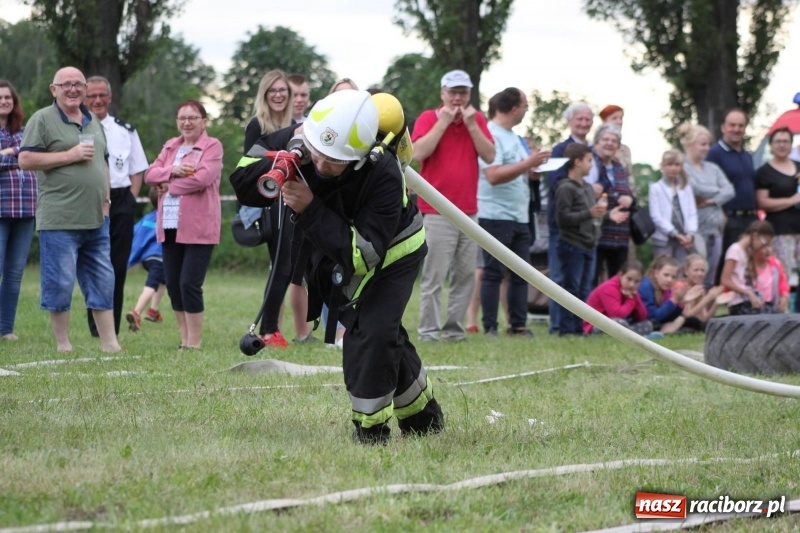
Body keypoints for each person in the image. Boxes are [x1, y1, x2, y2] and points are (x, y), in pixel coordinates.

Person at [230, 90, 444, 444]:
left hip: (392, 254)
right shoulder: (306, 138)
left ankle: (371, 432)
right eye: (317, 153)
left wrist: (310, 207)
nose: (321, 164)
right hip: (336, 246)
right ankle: (424, 418)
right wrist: (279, 160)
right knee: (384, 332)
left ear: (360, 157)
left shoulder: (384, 172)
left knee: (370, 335)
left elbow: (363, 254)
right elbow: (242, 180)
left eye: (333, 161)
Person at [18, 66, 120, 353]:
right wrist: (70, 155)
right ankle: (63, 344)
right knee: (60, 282)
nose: (73, 89)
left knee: (103, 280)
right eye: (66, 85)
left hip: (96, 218)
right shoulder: (43, 119)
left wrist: (107, 201)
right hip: (59, 218)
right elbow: (25, 159)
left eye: (78, 84)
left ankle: (110, 343)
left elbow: (103, 164)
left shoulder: (93, 121)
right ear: (54, 89)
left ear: (85, 89)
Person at [412, 69, 495, 342]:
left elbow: (490, 155)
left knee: (465, 275)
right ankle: (429, 332)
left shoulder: (477, 119)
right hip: (435, 210)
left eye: (463, 93)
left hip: (468, 210)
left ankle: (454, 331)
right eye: (453, 92)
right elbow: (418, 153)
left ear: (470, 94)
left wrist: (471, 125)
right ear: (442, 93)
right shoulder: (428, 117)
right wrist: (444, 122)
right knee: (434, 275)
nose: (458, 99)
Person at [144, 100, 222, 349]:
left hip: (199, 226)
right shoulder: (170, 146)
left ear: (204, 121)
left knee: (189, 283)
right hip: (168, 225)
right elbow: (150, 175)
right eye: (182, 118)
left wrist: (168, 185)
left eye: (193, 118)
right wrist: (175, 170)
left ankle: (195, 342)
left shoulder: (212, 146)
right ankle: (184, 339)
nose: (187, 123)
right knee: (174, 284)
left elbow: (202, 178)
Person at [243, 70, 311, 347]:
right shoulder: (257, 125)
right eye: (274, 90)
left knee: (288, 266)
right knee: (281, 266)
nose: (279, 95)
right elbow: (249, 165)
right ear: (265, 94)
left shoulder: (298, 125)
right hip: (271, 203)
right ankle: (270, 329)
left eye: (284, 90)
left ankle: (276, 328)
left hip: (294, 201)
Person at [478, 87, 550, 337]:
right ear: (513, 108)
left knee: (522, 273)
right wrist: (528, 163)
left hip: (520, 215)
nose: (526, 110)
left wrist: (534, 170)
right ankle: (490, 327)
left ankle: (517, 325)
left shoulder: (516, 137)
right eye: (526, 105)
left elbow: (520, 169)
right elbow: (493, 175)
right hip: (495, 214)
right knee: (493, 272)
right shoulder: (490, 134)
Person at [84, 75, 149, 336]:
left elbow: (137, 168)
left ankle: (113, 328)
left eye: (102, 95)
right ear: (85, 99)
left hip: (121, 200)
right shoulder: (78, 129)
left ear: (110, 98)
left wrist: (131, 197)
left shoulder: (126, 131)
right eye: (92, 96)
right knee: (91, 264)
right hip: (88, 199)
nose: (97, 100)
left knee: (117, 265)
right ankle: (94, 327)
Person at [555, 143, 624, 335]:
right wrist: (588, 213)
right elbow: (562, 219)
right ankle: (567, 330)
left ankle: (581, 328)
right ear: (577, 162)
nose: (592, 165)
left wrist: (608, 213)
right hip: (572, 245)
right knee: (571, 289)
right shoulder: (565, 188)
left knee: (586, 289)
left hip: (588, 245)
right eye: (588, 160)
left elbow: (593, 213)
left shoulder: (586, 187)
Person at [546, 102, 594, 334]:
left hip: (588, 233)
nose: (584, 123)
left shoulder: (591, 149)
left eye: (588, 119)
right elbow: (554, 184)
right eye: (580, 119)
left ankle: (579, 326)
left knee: (583, 284)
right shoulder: (560, 150)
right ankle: (560, 326)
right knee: (562, 280)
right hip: (565, 231)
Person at [0, 79, 38, 341]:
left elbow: (33, 154)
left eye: (8, 98)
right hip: (1, 212)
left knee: (14, 274)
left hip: (26, 212)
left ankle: (6, 329)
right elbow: (25, 159)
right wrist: (20, 158)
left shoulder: (23, 131)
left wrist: (11, 152)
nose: (4, 101)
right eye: (0, 98)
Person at [680, 122, 735, 289]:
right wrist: (718, 190)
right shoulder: (682, 167)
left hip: (716, 227)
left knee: (711, 271)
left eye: (708, 145)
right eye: (702, 144)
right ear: (690, 144)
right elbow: (694, 188)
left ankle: (707, 309)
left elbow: (730, 190)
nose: (706, 148)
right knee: (696, 270)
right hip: (696, 229)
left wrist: (712, 201)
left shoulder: (713, 168)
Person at [707, 109, 758, 283]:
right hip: (729, 219)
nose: (736, 129)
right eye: (732, 125)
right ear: (723, 127)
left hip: (750, 219)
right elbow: (709, 187)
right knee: (726, 265)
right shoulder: (714, 154)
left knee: (747, 267)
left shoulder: (746, 155)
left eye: (740, 125)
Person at [755, 127, 800, 312]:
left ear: (791, 144)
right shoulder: (764, 171)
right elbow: (762, 202)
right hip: (781, 231)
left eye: (786, 141)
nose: (782, 145)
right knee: (785, 273)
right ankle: (785, 313)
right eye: (778, 141)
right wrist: (791, 200)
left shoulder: (798, 167)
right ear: (771, 145)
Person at [591, 124, 634, 285]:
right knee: (592, 280)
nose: (609, 143)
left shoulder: (619, 168)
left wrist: (630, 199)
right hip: (598, 234)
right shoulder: (591, 164)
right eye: (605, 139)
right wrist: (608, 214)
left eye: (614, 140)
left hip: (620, 235)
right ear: (596, 143)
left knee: (617, 281)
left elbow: (628, 191)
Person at [721, 220, 790, 315]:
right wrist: (748, 293)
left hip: (751, 300)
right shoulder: (735, 250)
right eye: (764, 244)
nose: (764, 248)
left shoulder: (748, 252)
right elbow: (725, 280)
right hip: (740, 303)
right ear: (755, 235)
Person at [648, 149, 700, 264]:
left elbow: (692, 212)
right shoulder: (656, 188)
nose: (673, 168)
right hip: (664, 239)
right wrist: (674, 233)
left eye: (677, 165)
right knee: (664, 269)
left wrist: (691, 233)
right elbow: (656, 215)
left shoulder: (685, 187)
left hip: (684, 238)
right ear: (662, 166)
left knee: (681, 270)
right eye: (669, 164)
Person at [125, 188, 166, 331]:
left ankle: (153, 311)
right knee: (152, 284)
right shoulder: (168, 218)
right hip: (160, 256)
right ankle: (136, 312)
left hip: (146, 258)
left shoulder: (148, 218)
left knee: (162, 281)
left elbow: (134, 232)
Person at [584, 259, 653, 336]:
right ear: (620, 275)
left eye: (637, 281)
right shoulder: (609, 288)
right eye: (629, 279)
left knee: (648, 324)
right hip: (597, 325)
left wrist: (635, 297)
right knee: (620, 324)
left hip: (619, 324)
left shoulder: (631, 292)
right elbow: (616, 314)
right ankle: (629, 335)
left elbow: (642, 316)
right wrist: (630, 300)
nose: (632, 284)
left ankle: (627, 335)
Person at [638, 255, 693, 334]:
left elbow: (669, 316)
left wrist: (680, 302)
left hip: (656, 322)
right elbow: (653, 317)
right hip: (640, 322)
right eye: (666, 275)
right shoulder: (646, 286)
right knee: (652, 324)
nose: (669, 280)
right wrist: (674, 300)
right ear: (656, 273)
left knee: (692, 321)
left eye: (673, 277)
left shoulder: (664, 288)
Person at [673, 254, 724, 328]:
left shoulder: (700, 288)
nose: (699, 273)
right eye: (696, 270)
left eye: (702, 270)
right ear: (686, 271)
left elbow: (704, 319)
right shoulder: (681, 286)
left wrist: (716, 303)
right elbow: (687, 316)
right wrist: (707, 299)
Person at [598, 104, 632, 172]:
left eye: (621, 118)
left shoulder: (625, 150)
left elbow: (629, 175)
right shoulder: (595, 147)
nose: (619, 122)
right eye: (614, 118)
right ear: (604, 121)